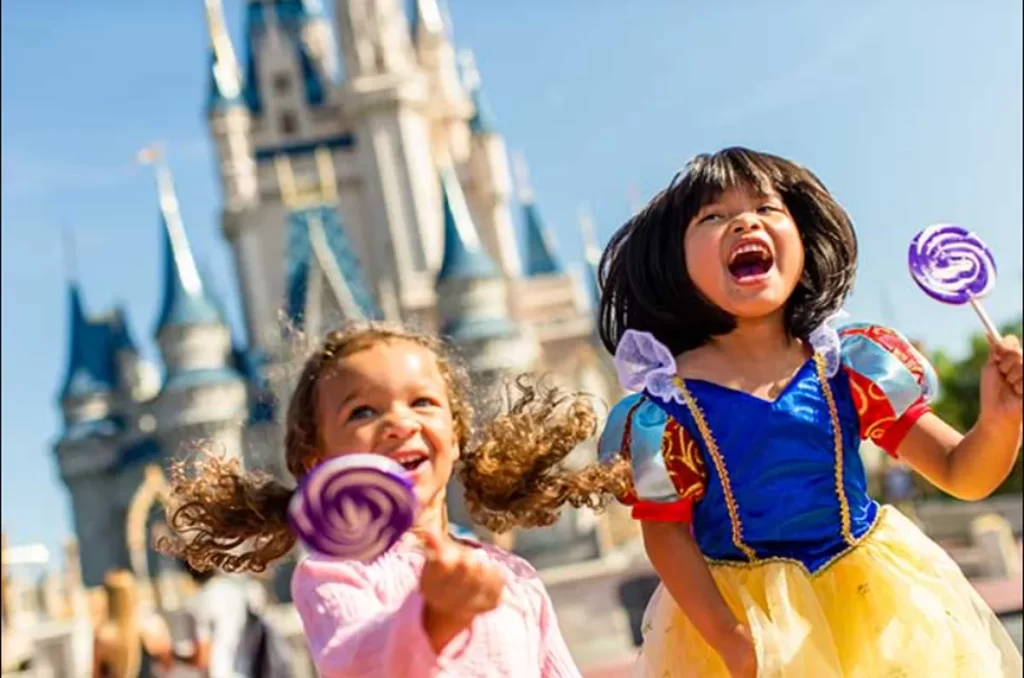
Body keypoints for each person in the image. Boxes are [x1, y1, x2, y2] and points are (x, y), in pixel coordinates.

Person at [453, 147, 1023, 676]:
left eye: (766, 208)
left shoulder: (849, 365)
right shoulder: (664, 408)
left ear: (803, 238)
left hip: (877, 603)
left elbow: (963, 475)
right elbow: (666, 534)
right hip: (744, 623)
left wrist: (1001, 420)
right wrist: (727, 636)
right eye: (714, 216)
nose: (746, 222)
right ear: (675, 262)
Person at [158, 323, 584, 678]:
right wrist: (433, 616)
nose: (400, 422)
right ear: (318, 461)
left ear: (456, 436)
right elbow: (356, 661)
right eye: (362, 412)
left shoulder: (512, 576)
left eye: (422, 402)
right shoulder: (335, 572)